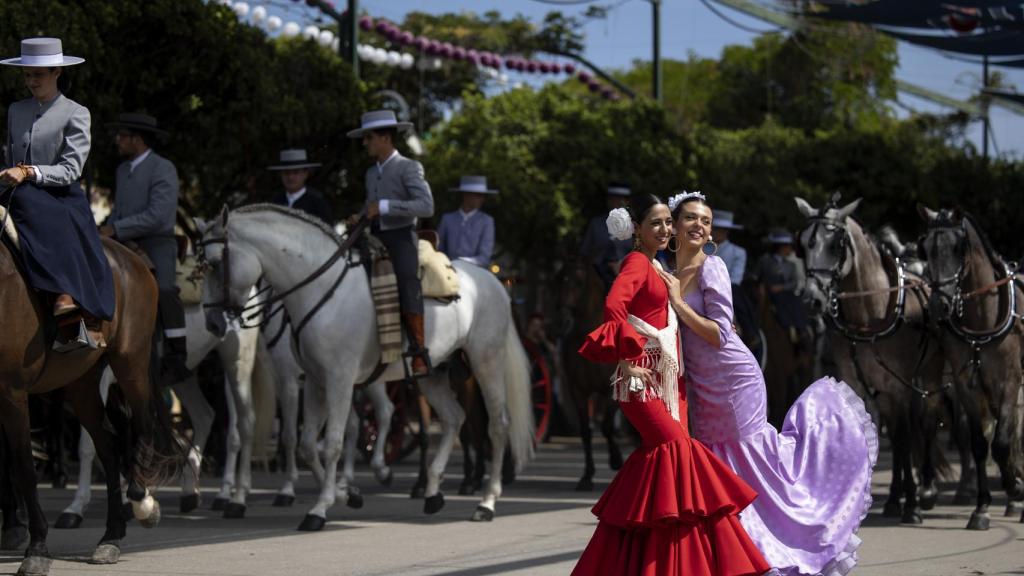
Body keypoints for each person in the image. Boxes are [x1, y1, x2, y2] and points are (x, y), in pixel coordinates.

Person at [661, 191, 877, 576]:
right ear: (674, 226)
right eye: (691, 218)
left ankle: (790, 543)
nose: (699, 225)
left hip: (732, 381)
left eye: (706, 220)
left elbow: (720, 334)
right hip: (700, 388)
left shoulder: (713, 268)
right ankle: (732, 553)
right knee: (718, 468)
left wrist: (678, 303)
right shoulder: (670, 274)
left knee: (747, 466)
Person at [572, 193, 770, 576]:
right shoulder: (635, 262)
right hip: (644, 380)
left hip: (670, 383)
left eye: (667, 223)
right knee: (680, 455)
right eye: (656, 224)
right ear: (637, 231)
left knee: (670, 476)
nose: (664, 229)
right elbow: (614, 306)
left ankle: (661, 566)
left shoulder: (659, 264)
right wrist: (627, 361)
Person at [0, 37, 113, 349]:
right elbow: (9, 157)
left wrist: (28, 172)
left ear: (57, 73)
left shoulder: (77, 113)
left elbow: (70, 169)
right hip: (16, 190)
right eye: (26, 75)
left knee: (28, 202)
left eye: (38, 74)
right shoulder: (15, 109)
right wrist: (12, 173)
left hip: (59, 196)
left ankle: (65, 297)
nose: (30, 81)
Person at [100, 112, 188, 382]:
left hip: (156, 241)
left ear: (137, 140)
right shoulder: (122, 170)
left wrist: (116, 228)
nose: (118, 141)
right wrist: (103, 227)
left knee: (163, 288)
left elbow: (159, 216)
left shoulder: (163, 168)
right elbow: (119, 210)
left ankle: (176, 353)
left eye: (122, 136)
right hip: (123, 241)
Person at [347, 110, 433, 376]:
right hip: (372, 236)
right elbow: (369, 205)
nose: (365, 143)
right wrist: (359, 216)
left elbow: (426, 206)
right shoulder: (371, 173)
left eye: (369, 138)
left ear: (385, 138)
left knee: (407, 279)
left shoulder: (409, 167)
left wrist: (383, 207)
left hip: (401, 237)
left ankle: (419, 350)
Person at [751, 229, 810, 346]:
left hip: (784, 293)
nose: (790, 249)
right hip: (767, 293)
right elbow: (755, 276)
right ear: (780, 247)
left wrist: (782, 287)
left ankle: (800, 329)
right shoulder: (765, 261)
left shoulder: (790, 264)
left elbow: (794, 282)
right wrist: (760, 285)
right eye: (788, 246)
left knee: (796, 302)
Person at [711, 209, 760, 351]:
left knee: (739, 300)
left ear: (727, 232)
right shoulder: (703, 249)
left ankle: (750, 332)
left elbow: (736, 277)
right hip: (703, 285)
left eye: (721, 230)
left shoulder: (738, 252)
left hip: (729, 287)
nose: (716, 232)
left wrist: (716, 285)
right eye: (716, 229)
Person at [579, 183, 632, 291]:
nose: (616, 203)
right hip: (598, 274)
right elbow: (585, 252)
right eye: (613, 199)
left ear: (627, 202)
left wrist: (622, 264)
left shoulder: (636, 225)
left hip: (628, 272)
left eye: (620, 199)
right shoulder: (596, 223)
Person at [436, 175, 495, 267]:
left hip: (476, 272)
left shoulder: (486, 221)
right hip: (448, 268)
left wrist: (463, 261)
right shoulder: (447, 219)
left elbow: (485, 256)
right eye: (478, 195)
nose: (482, 199)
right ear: (466, 195)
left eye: (483, 196)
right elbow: (439, 248)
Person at [267, 148, 334, 224]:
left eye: (295, 173)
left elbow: (327, 231)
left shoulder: (317, 203)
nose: (290, 177)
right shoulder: (275, 201)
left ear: (305, 174)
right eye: (286, 173)